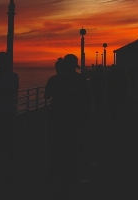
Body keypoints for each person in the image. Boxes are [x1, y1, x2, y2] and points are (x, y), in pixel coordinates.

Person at [45, 54, 91, 194]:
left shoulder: (54, 79)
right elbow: (87, 101)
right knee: (72, 150)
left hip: (57, 119)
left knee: (58, 149)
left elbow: (46, 96)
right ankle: (69, 181)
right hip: (74, 119)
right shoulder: (80, 79)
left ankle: (57, 180)